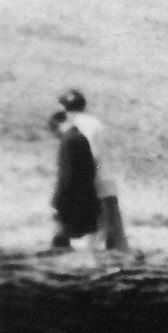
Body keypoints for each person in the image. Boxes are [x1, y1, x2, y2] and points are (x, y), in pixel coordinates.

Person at [53, 88, 125, 251]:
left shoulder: (78, 125)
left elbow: (89, 155)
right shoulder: (95, 122)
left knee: (92, 223)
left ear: (66, 108)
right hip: (107, 176)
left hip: (93, 178)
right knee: (112, 225)